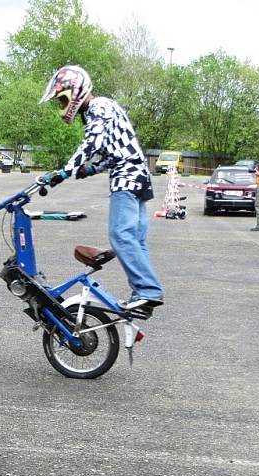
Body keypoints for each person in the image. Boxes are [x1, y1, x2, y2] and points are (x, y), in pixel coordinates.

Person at [39, 65, 163, 312]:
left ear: (76, 90)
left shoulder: (98, 106)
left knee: (121, 235)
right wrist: (90, 170)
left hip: (127, 177)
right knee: (135, 239)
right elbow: (111, 153)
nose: (61, 105)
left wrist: (65, 172)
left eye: (62, 98)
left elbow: (91, 143)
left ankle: (148, 291)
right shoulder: (106, 107)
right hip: (137, 175)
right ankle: (146, 295)